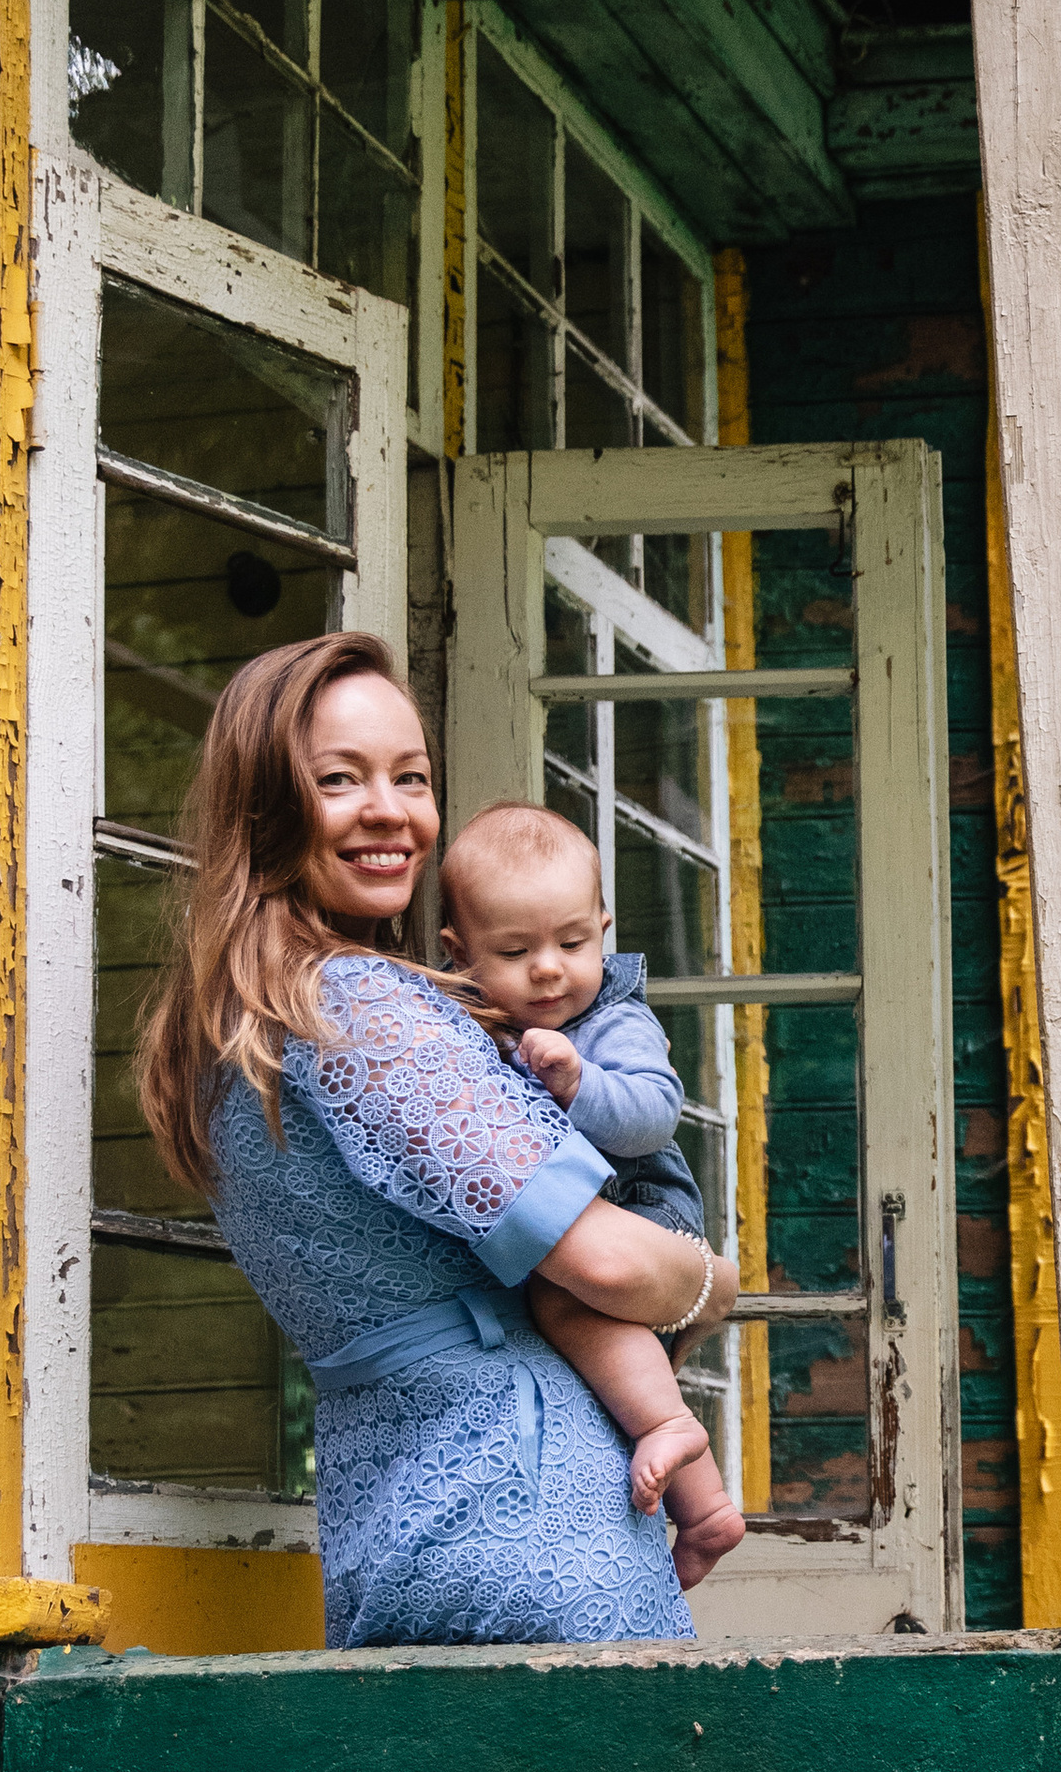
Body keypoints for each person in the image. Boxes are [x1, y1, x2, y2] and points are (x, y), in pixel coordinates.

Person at [134, 631, 740, 1650]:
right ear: (266, 804)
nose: (392, 811)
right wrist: (714, 1283)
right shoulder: (356, 1003)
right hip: (531, 1513)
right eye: (340, 778)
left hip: (389, 1519)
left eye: (410, 777)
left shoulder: (221, 1037)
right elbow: (601, 1261)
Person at [437, 800, 745, 1585]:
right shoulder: (468, 1026)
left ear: (603, 929)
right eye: (514, 950)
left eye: (573, 942)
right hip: (582, 1220)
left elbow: (653, 1115)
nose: (549, 968)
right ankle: (705, 1513)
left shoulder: (613, 1020)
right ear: (461, 952)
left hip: (644, 1206)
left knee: (568, 1307)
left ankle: (673, 1425)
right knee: (607, 1351)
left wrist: (581, 1084)